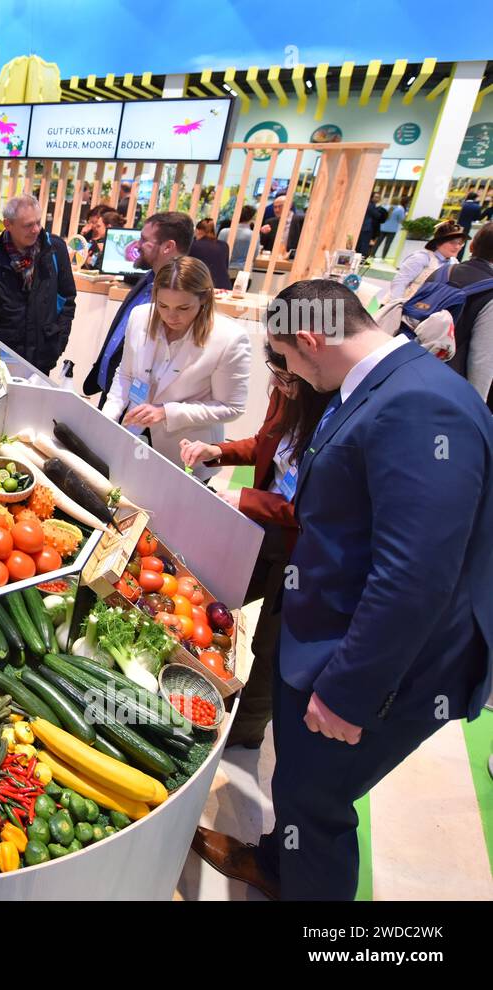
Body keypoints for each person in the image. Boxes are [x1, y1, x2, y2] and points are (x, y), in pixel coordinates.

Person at [193, 279, 493, 901]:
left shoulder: (420, 406)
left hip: (379, 661)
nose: (290, 374)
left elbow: (414, 576)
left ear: (310, 337)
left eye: (288, 358)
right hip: (326, 627)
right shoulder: (386, 383)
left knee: (317, 800)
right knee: (296, 778)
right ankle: (278, 861)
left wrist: (350, 694)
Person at [180, 346, 332, 747]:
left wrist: (247, 500)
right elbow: (268, 444)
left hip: (302, 545)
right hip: (262, 528)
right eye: (277, 377)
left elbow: (315, 506)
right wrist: (219, 451)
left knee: (270, 646)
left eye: (288, 380)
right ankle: (191, 691)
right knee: (212, 595)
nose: (281, 386)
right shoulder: (287, 389)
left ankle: (245, 730)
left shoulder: (336, 414)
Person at [101, 256, 249, 481]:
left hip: (185, 451)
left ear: (205, 299)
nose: (171, 316)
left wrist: (167, 412)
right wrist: (107, 418)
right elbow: (126, 374)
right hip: (133, 435)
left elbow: (231, 407)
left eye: (183, 307)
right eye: (163, 305)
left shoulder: (229, 338)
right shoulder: (140, 316)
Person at [84, 211, 194, 404]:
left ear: (168, 247)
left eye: (144, 240)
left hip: (142, 407)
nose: (136, 245)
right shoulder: (147, 279)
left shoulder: (186, 298)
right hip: (113, 395)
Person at [0, 194, 77, 375]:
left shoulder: (55, 250)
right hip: (1, 358)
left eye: (38, 222)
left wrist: (58, 342)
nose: (36, 229)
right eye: (28, 225)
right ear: (8, 224)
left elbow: (67, 298)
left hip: (42, 355)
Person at [428, 222, 493, 406]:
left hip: (410, 367)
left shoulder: (442, 272)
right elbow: (482, 359)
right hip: (449, 388)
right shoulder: (490, 293)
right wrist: (475, 409)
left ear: (471, 247)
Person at [386, 219, 465, 301]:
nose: (457, 247)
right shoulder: (421, 258)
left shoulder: (454, 263)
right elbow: (399, 283)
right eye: (452, 242)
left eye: (460, 243)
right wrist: (396, 306)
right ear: (438, 242)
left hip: (427, 310)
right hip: (402, 305)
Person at [189, 218, 233, 290]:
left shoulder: (193, 245)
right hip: (224, 287)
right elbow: (225, 267)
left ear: (198, 231)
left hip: (202, 286)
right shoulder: (224, 246)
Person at [356, 191, 387, 256]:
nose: (377, 199)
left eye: (378, 197)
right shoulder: (370, 205)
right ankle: (362, 259)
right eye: (376, 197)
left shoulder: (371, 205)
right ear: (371, 197)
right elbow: (377, 215)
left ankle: (361, 258)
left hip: (367, 227)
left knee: (363, 244)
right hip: (367, 228)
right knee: (364, 244)